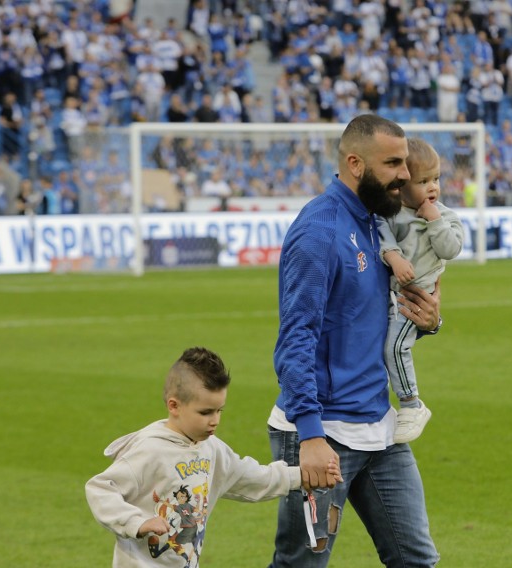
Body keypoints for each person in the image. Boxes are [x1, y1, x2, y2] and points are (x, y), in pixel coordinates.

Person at [267, 114, 442, 567]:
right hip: (323, 434)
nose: (406, 175)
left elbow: (367, 323)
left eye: (405, 163)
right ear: (355, 163)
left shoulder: (375, 221)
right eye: (393, 163)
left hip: (379, 429)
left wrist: (424, 322)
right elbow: (296, 340)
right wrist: (310, 434)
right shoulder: (319, 232)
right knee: (300, 565)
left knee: (417, 560)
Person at [86, 346, 341, 568]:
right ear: (174, 406)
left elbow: (253, 479)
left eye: (219, 410)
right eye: (205, 412)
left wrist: (302, 476)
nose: (215, 421)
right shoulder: (149, 450)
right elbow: (100, 489)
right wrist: (137, 523)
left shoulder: (212, 449)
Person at [377, 138, 463, 444]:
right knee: (388, 347)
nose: (432, 188)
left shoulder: (445, 216)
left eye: (436, 179)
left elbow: (450, 249)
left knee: (395, 348)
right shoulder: (392, 213)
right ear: (401, 186)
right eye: (423, 181)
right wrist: (393, 255)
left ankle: (411, 403)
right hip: (393, 293)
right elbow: (380, 229)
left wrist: (434, 220)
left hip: (415, 300)